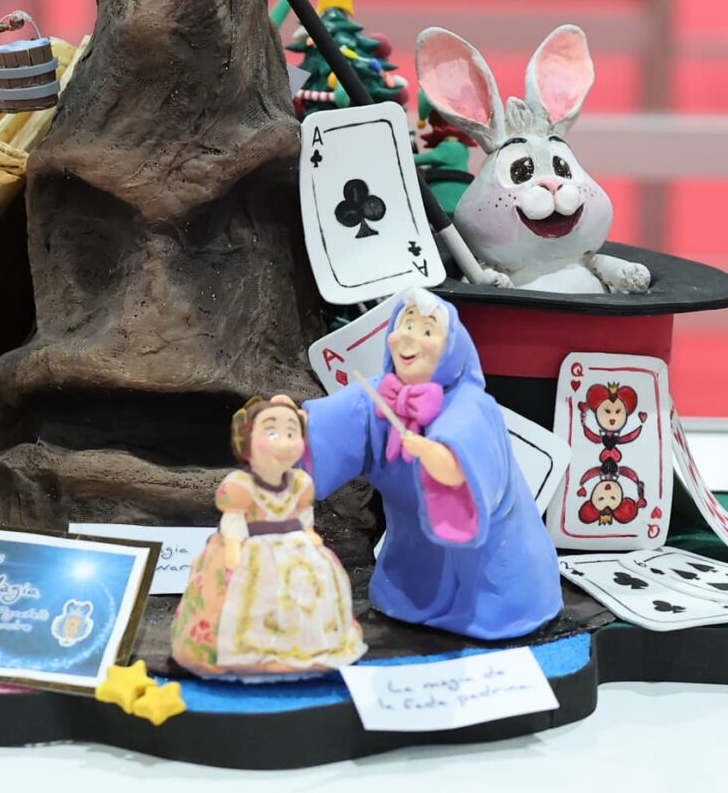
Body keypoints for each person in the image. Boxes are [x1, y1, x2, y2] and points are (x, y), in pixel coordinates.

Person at [303, 288, 562, 640]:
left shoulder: (470, 405)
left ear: (451, 348)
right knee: (411, 579)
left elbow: (462, 464)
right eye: (406, 324)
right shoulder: (380, 395)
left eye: (427, 330)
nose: (410, 338)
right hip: (413, 562)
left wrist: (432, 453)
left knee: (492, 590)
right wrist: (292, 433)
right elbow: (333, 426)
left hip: (491, 573)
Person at [170, 395, 365, 679]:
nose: (284, 443)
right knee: (247, 597)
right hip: (251, 548)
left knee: (309, 591)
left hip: (295, 548)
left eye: (291, 433)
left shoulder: (300, 482)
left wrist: (309, 533)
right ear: (246, 440)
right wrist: (233, 545)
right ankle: (246, 653)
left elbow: (303, 514)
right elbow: (234, 519)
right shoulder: (241, 486)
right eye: (272, 432)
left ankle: (305, 649)